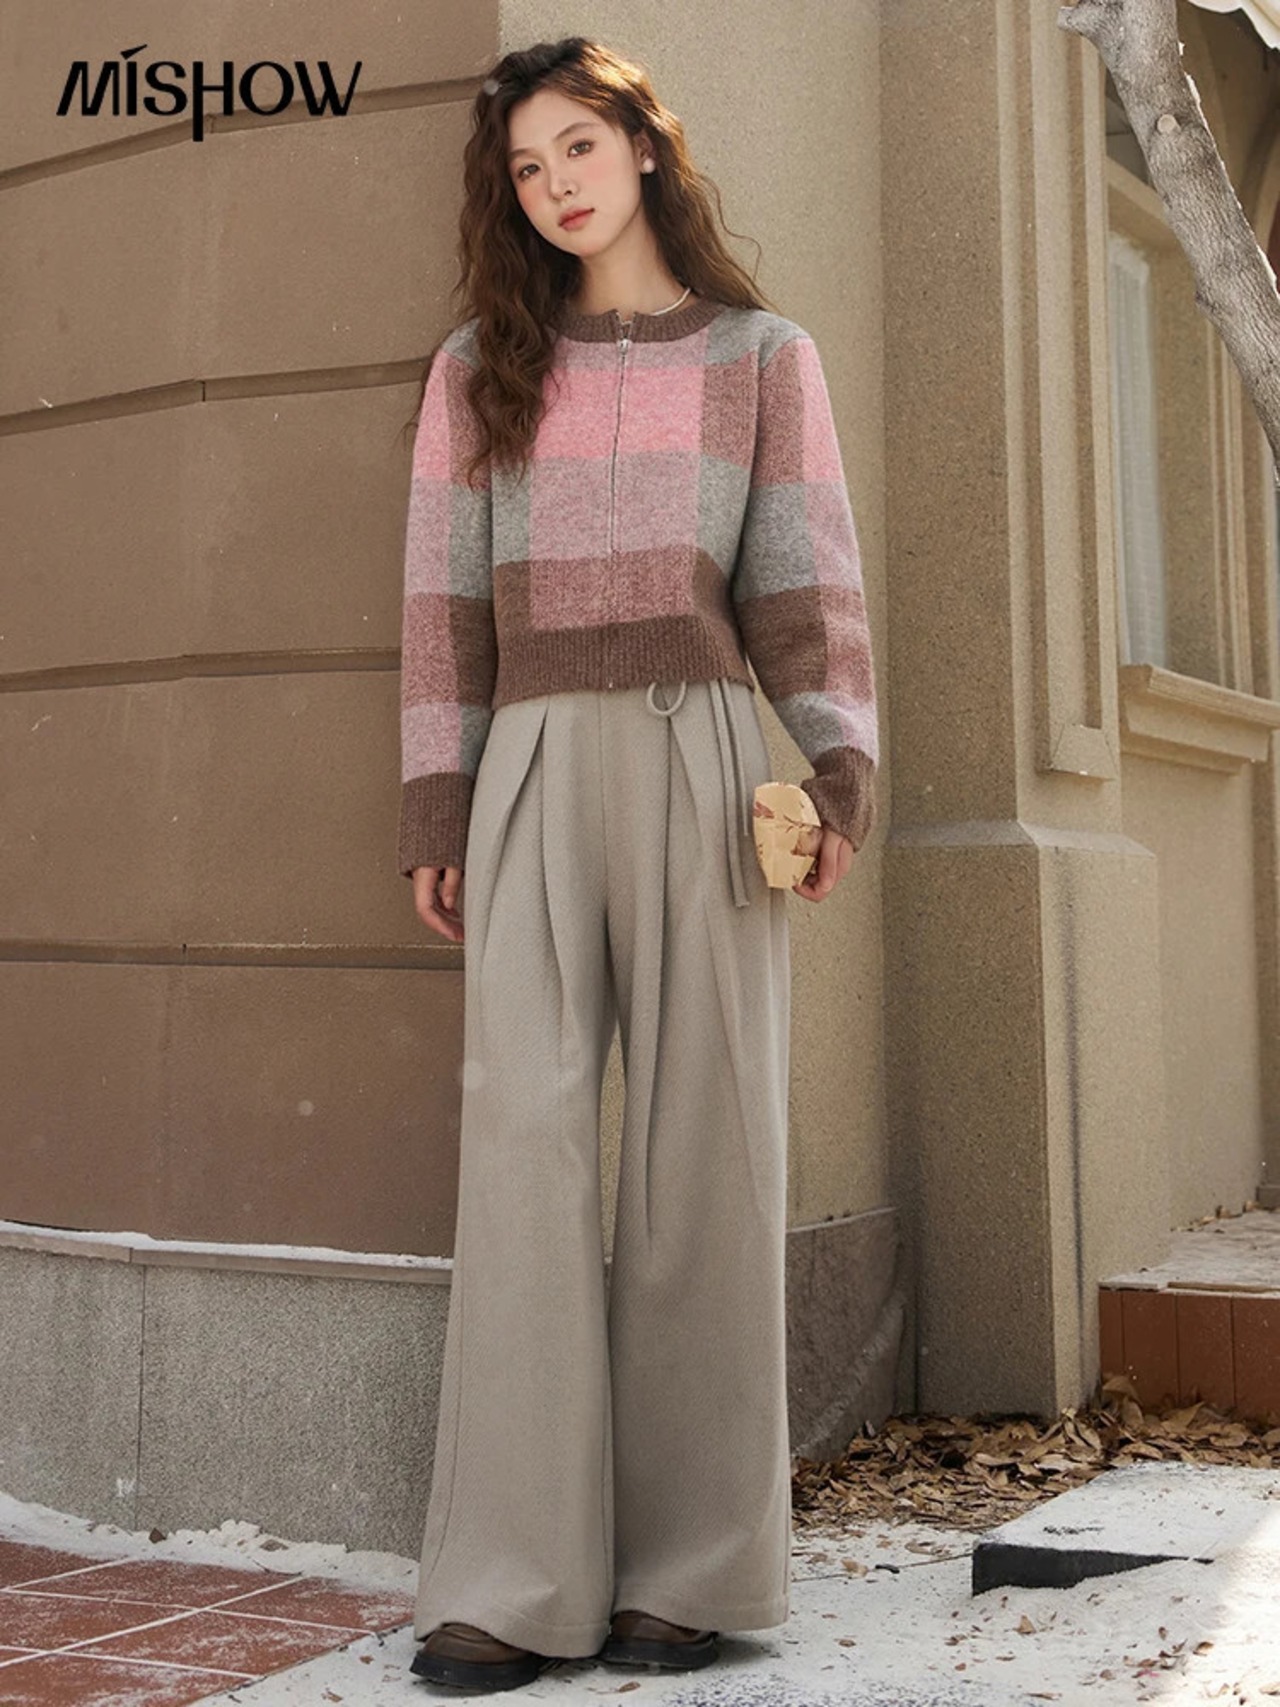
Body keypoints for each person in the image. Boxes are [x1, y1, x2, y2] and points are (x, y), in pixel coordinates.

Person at [397, 35, 879, 1694]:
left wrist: (837, 775)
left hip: (704, 765)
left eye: (579, 147)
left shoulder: (762, 356)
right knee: (523, 1150)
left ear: (645, 146)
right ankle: (511, 1582)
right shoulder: (480, 368)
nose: (557, 186)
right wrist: (439, 803)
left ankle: (688, 1574)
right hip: (531, 767)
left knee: (703, 1159)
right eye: (527, 169)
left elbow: (804, 586)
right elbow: (442, 605)